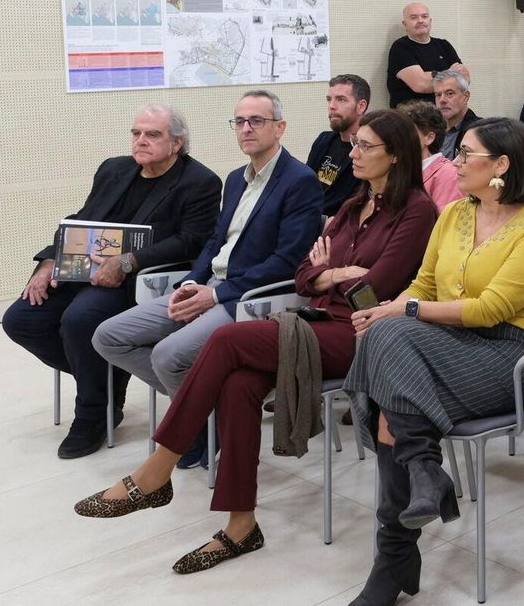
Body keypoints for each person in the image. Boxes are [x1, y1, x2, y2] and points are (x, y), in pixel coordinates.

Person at [71, 110, 437, 574]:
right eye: (355, 144)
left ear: (397, 155)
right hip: (314, 318)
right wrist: (334, 274)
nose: (353, 153)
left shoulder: (417, 211)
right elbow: (304, 277)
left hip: (366, 334)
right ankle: (241, 524)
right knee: (238, 383)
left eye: (365, 146)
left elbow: (377, 287)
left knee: (226, 341)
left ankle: (157, 469)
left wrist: (331, 275)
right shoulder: (351, 205)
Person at [343, 117, 524, 606]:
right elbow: (423, 286)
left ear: (502, 164)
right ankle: (421, 474)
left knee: (390, 371)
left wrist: (400, 311)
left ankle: (397, 552)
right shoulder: (456, 215)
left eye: (467, 153)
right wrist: (387, 308)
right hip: (447, 341)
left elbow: (490, 310)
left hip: (512, 353)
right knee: (384, 338)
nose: (455, 161)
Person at [94, 90, 324, 469]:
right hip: (208, 286)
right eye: (239, 121)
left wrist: (216, 297)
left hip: (247, 297)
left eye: (256, 121)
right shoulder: (236, 179)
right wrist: (191, 282)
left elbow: (287, 261)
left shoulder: (299, 181)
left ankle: (196, 427)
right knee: (109, 336)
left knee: (168, 355)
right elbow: (215, 242)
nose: (246, 129)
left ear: (280, 128)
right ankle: (206, 413)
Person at [3, 105, 221, 458]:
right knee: (21, 320)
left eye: (153, 135)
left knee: (79, 321)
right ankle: (108, 374)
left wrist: (128, 261)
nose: (141, 141)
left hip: (136, 281)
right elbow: (80, 219)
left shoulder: (200, 182)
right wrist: (47, 262)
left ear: (177, 142)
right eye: (136, 133)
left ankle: (93, 414)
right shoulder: (114, 168)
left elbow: (192, 240)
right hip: (82, 270)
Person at [306, 74, 370, 217]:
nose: (332, 106)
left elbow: (356, 205)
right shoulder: (324, 140)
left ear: (361, 106)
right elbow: (305, 185)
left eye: (341, 100)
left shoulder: (368, 150)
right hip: (309, 217)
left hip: (339, 226)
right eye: (329, 100)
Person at [387, 1, 468, 107]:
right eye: (414, 17)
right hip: (414, 116)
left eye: (424, 16)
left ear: (430, 21)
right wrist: (450, 74)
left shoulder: (444, 45)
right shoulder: (400, 48)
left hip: (447, 111)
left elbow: (465, 78)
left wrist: (433, 77)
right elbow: (421, 85)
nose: (420, 21)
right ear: (405, 24)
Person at [397, 100, 464, 209]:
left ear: (429, 137)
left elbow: (444, 221)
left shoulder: (448, 174)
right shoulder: (399, 170)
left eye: (406, 132)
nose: (398, 138)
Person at [433, 69, 482, 161]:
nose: (442, 100)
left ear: (466, 96)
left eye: (449, 93)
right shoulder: (431, 130)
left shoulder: (479, 130)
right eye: (438, 95)